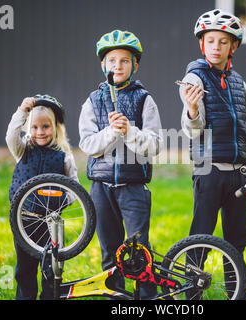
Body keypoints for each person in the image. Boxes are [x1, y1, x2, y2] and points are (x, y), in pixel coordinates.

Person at [78, 29, 163, 299]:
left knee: (139, 249)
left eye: (125, 60)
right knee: (109, 249)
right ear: (103, 65)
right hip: (101, 186)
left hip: (133, 186)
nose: (118, 66)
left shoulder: (144, 99)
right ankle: (116, 298)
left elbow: (155, 144)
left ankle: (146, 297)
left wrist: (129, 132)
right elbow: (87, 144)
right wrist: (111, 132)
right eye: (112, 60)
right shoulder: (94, 100)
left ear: (134, 65)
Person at [180, 9, 246, 255]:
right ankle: (193, 290)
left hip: (239, 173)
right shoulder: (195, 78)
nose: (216, 47)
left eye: (223, 42)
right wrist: (192, 110)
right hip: (209, 171)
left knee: (237, 238)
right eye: (211, 41)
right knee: (201, 236)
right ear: (202, 43)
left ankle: (236, 291)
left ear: (233, 46)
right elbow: (192, 131)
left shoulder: (238, 82)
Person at [6, 94, 78, 300]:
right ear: (29, 128)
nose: (40, 132)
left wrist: (63, 200)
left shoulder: (63, 155)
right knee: (25, 268)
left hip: (51, 222)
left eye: (46, 127)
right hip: (24, 220)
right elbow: (11, 135)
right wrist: (22, 112)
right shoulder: (23, 150)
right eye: (35, 127)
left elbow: (74, 186)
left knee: (51, 269)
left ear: (56, 127)